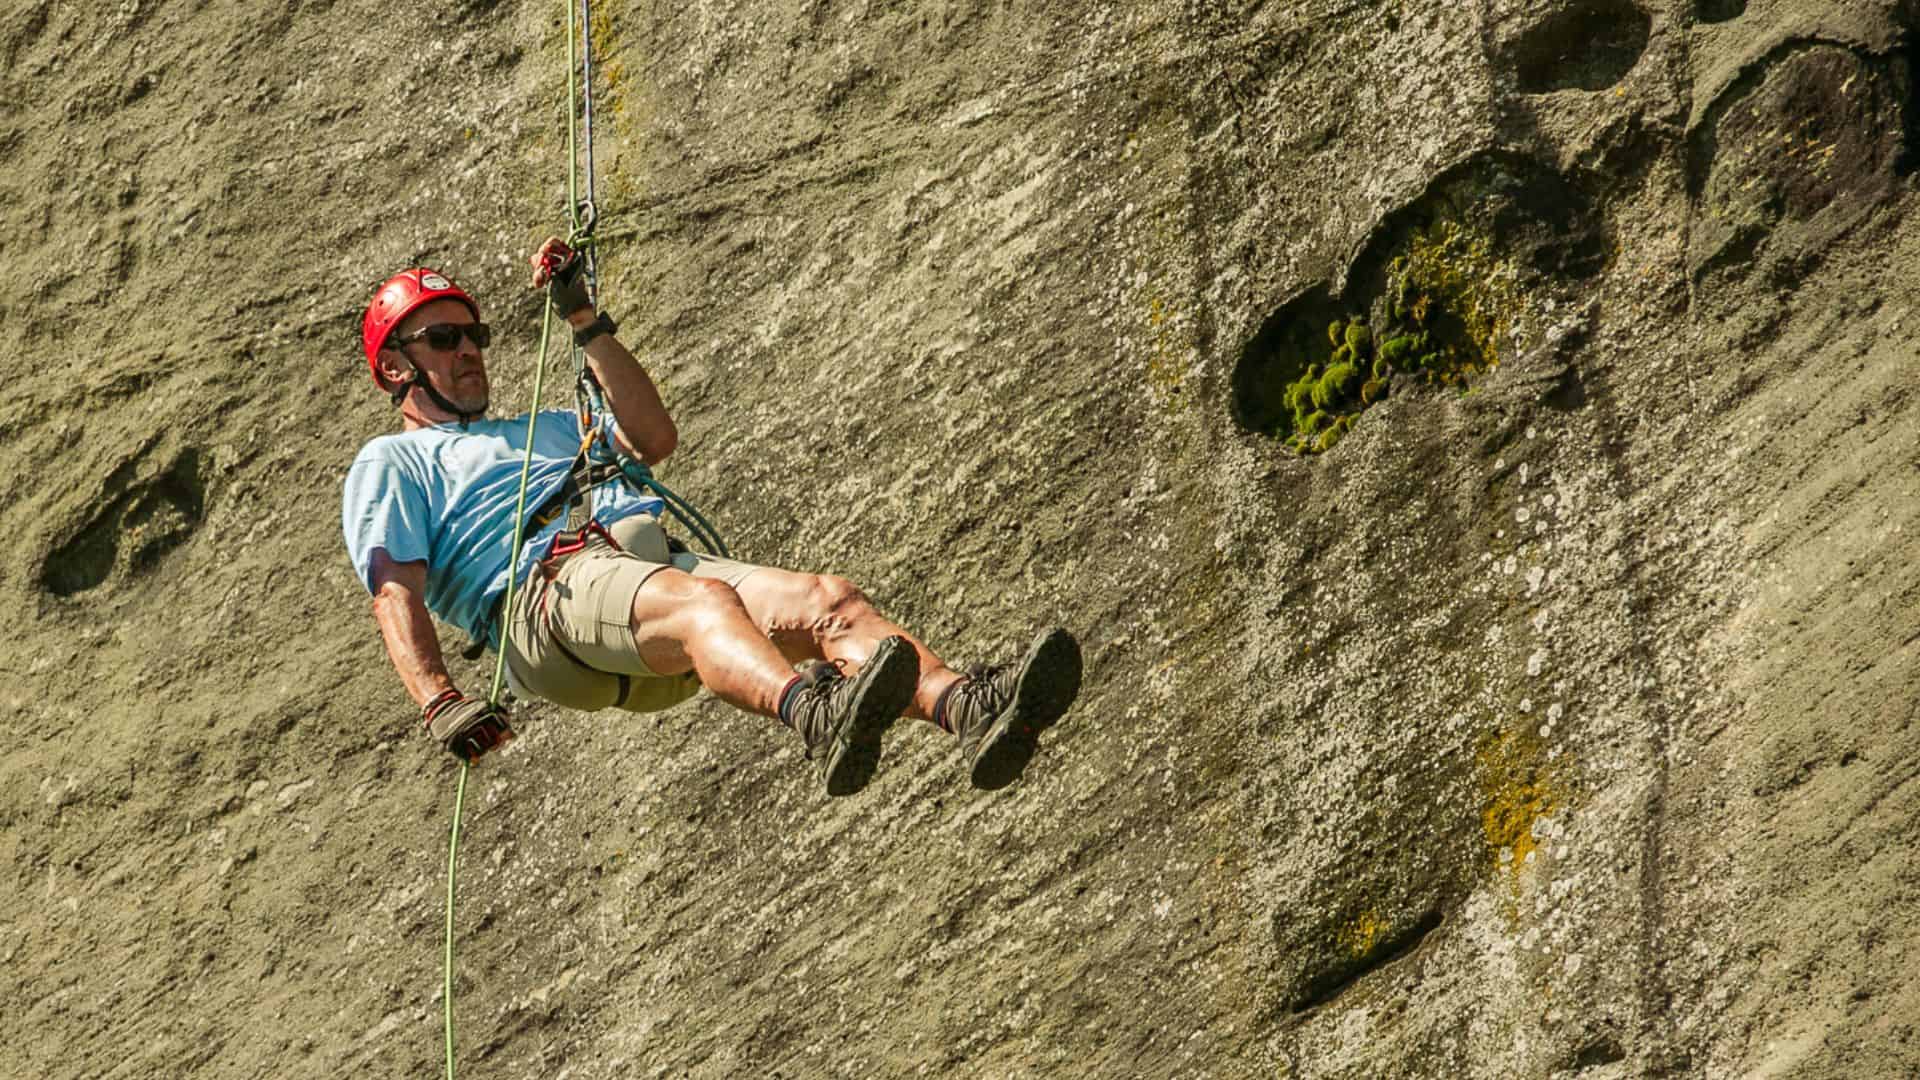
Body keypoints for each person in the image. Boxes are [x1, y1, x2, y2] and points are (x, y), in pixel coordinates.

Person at [340, 238, 1082, 796]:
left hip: (649, 574)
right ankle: (814, 715)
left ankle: (968, 707)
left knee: (829, 601)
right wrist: (439, 701)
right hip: (547, 594)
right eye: (443, 339)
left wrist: (584, 320)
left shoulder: (548, 426)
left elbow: (652, 439)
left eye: (474, 335)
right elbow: (392, 590)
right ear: (395, 367)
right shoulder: (392, 463)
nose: (468, 349)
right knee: (706, 603)